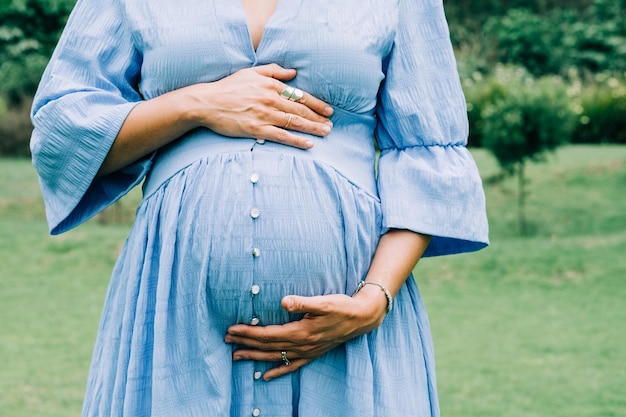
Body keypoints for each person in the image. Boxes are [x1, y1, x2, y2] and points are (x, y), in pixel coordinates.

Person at [30, 0, 489, 416]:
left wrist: (374, 300)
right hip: (178, 323)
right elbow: (62, 134)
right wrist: (197, 103)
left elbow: (427, 153)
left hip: (347, 330)